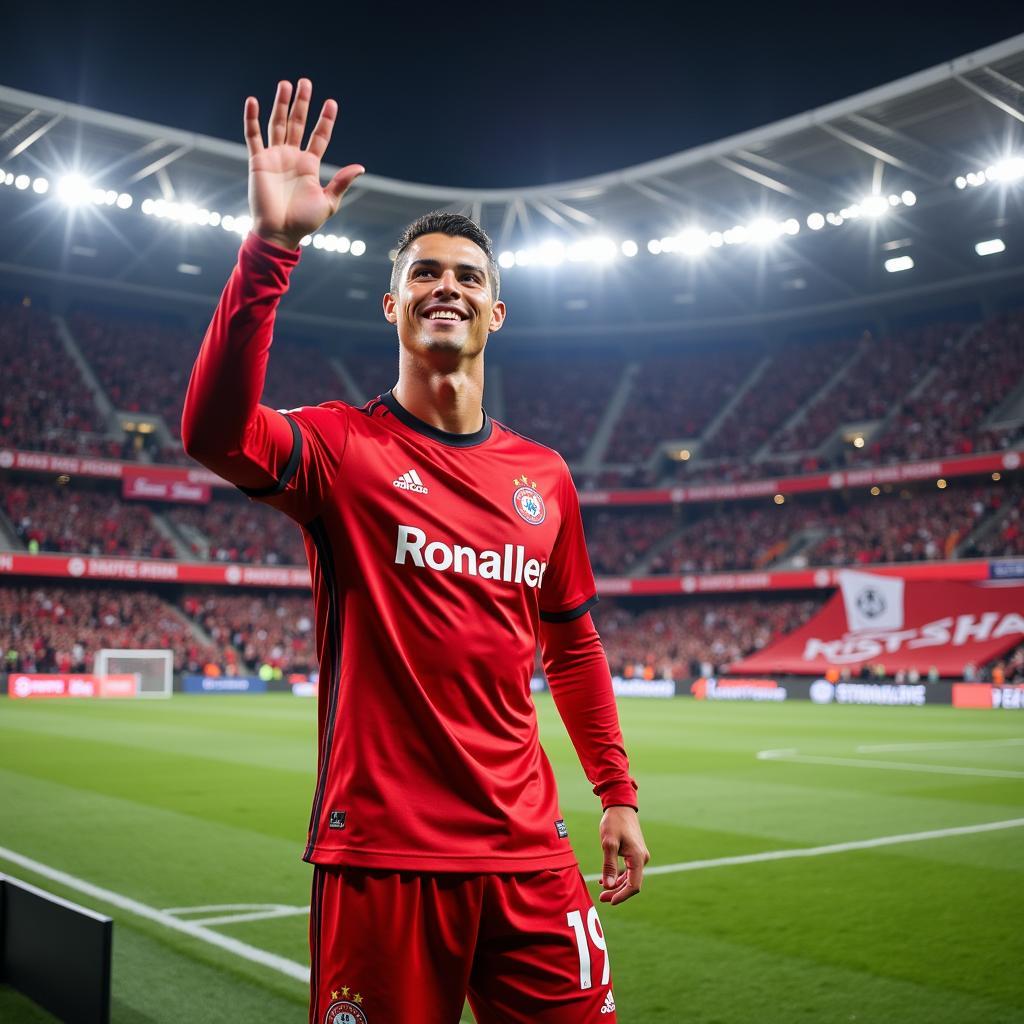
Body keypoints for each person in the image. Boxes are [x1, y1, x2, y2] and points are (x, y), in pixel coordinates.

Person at [182, 78, 648, 1024]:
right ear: (392, 308)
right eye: (426, 274)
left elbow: (574, 644)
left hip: (530, 855)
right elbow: (213, 432)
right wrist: (273, 248)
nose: (448, 286)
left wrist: (618, 793)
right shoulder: (341, 450)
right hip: (385, 860)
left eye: (469, 276)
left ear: (496, 315)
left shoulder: (546, 477)